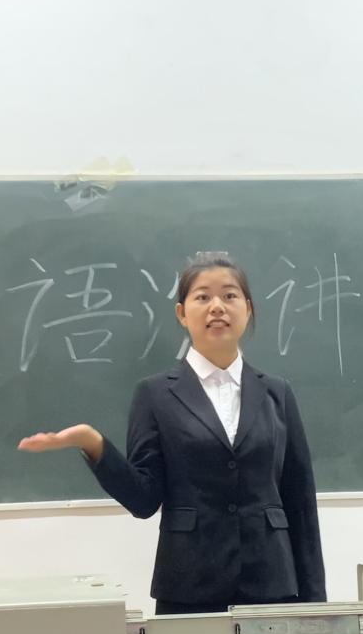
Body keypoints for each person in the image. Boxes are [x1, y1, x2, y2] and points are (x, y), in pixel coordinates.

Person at [18, 253, 326, 614]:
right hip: (189, 587)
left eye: (229, 295)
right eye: (203, 296)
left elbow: (300, 504)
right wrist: (93, 443)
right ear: (182, 313)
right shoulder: (156, 394)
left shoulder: (277, 393)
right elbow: (143, 499)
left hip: (272, 585)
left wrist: (316, 606)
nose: (217, 307)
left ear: (248, 308)